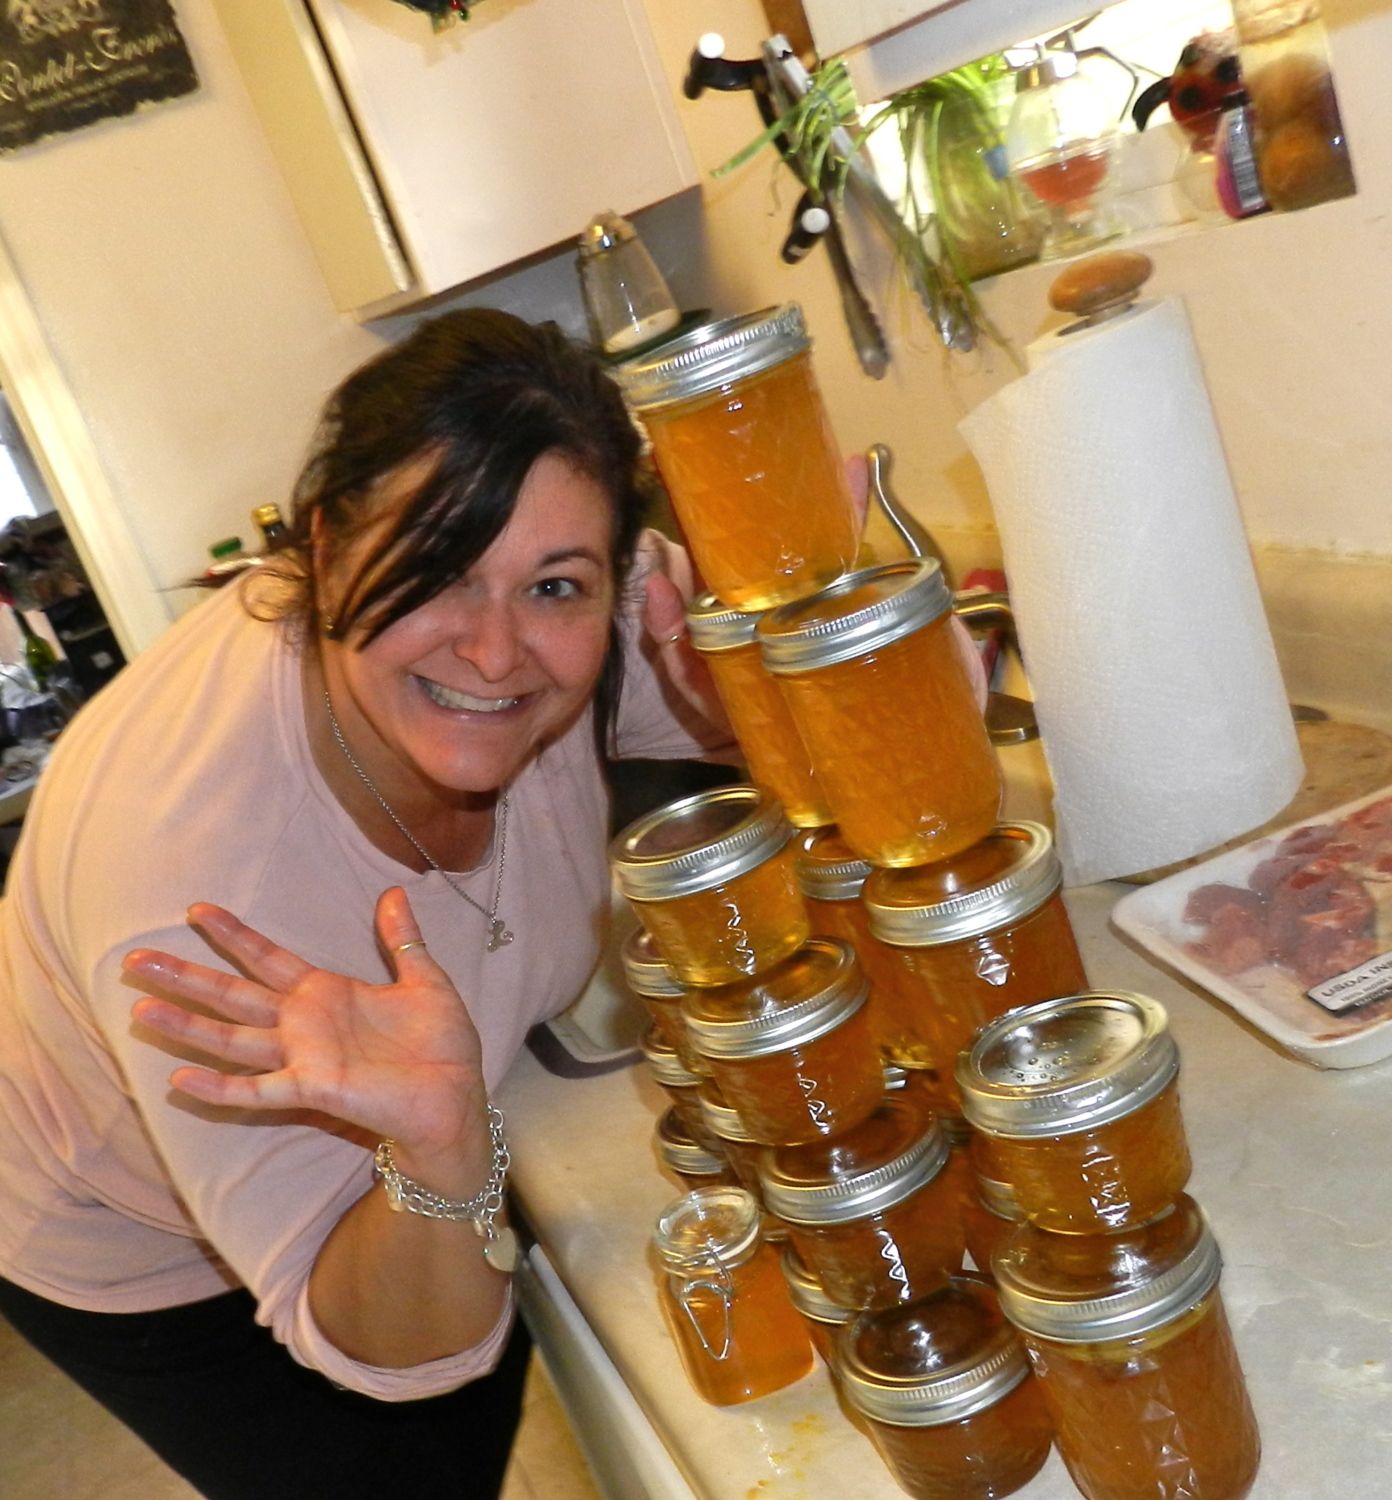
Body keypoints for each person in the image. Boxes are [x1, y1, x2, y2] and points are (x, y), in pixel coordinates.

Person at [0, 308, 733, 1499]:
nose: (494, 653)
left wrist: (779, 683)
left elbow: (740, 682)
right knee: (399, 1471)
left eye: (554, 585)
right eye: (440, 569)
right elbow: (394, 1343)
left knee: (489, 1378)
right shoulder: (198, 893)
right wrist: (443, 1150)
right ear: (327, 550)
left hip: (405, 1105)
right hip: (134, 1240)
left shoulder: (582, 625)